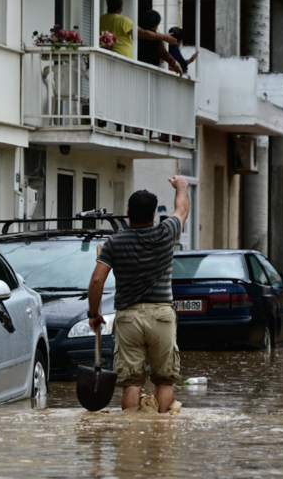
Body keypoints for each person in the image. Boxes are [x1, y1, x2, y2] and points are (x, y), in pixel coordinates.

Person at [87, 176, 190, 414]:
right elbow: (182, 209)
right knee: (164, 380)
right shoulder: (167, 234)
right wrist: (181, 187)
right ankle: (162, 439)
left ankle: (131, 440)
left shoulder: (114, 242)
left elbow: (96, 280)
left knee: (131, 382)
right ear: (154, 215)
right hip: (162, 316)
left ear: (127, 212)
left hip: (128, 318)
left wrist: (94, 314)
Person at [99, 0, 177, 59]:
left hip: (105, 57)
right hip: (121, 61)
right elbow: (143, 33)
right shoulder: (123, 20)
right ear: (120, 7)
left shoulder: (100, 20)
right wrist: (163, 37)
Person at [138, 11, 183, 76]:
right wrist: (175, 64)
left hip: (137, 68)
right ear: (157, 25)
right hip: (151, 71)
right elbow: (164, 54)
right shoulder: (157, 39)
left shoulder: (138, 33)